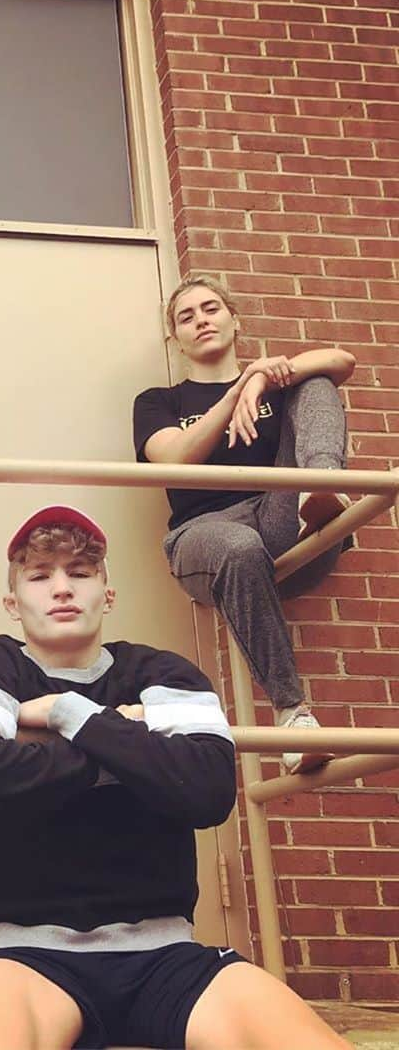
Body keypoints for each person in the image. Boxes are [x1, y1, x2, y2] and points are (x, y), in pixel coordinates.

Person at [0, 505, 349, 1050]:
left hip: (166, 956)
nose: (61, 589)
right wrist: (132, 751)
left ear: (108, 594)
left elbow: (207, 790)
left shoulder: (164, 673)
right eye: (39, 576)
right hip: (19, 956)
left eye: (79, 573)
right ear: (13, 602)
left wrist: (66, 715)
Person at [133, 274, 356, 773]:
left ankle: (322, 486)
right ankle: (292, 715)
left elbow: (343, 362)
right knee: (238, 545)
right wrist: (237, 393)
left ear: (235, 320)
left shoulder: (272, 379)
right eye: (185, 317)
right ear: (177, 338)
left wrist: (260, 375)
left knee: (313, 381)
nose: (201, 320)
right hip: (204, 533)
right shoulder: (159, 402)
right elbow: (173, 460)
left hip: (280, 515)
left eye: (211, 308)